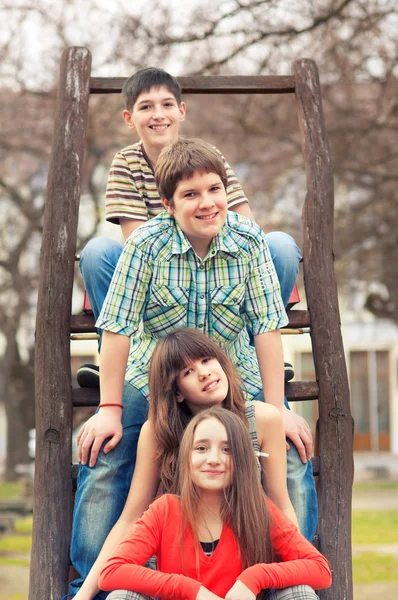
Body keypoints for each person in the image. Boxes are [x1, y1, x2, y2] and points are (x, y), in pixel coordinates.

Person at [70, 138, 317, 598]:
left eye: (214, 189)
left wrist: (279, 406)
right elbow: (119, 327)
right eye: (190, 194)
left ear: (226, 190)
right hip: (159, 375)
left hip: (229, 374)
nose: (207, 203)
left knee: (289, 446)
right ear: (167, 204)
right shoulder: (146, 244)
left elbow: (265, 327)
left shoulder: (247, 241)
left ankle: (290, 572)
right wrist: (108, 406)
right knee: (110, 451)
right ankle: (93, 585)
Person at [77, 66, 299, 387]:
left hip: (220, 271)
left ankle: (252, 352)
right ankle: (116, 364)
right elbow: (136, 242)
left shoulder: (204, 159)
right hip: (157, 283)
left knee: (279, 244)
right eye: (146, 107)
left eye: (167, 105)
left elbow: (244, 223)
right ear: (129, 118)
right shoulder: (127, 163)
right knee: (98, 251)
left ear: (181, 112)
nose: (158, 115)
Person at [71, 328, 299, 600]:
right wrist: (82, 596)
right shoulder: (158, 432)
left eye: (206, 360)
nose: (203, 373)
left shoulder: (262, 419)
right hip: (176, 577)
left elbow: (281, 503)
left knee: (300, 591)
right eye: (187, 372)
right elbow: (131, 518)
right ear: (177, 392)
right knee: (121, 596)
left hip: (245, 574)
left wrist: (293, 567)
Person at [98, 408, 331, 600]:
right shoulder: (164, 510)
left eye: (227, 449)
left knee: (301, 593)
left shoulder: (258, 510)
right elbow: (111, 572)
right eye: (201, 448)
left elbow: (320, 569)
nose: (213, 459)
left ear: (241, 459)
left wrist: (255, 577)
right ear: (186, 458)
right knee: (121, 596)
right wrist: (191, 590)